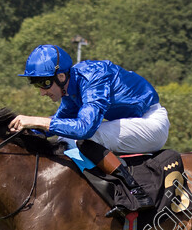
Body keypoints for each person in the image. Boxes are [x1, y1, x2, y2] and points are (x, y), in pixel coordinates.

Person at [9, 44, 169, 216]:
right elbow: (60, 123)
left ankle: (135, 192)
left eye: (44, 83)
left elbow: (85, 128)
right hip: (131, 123)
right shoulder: (70, 89)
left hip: (151, 122)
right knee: (64, 141)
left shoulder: (93, 77)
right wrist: (24, 133)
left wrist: (36, 120)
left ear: (61, 76)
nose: (42, 92)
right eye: (36, 84)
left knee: (88, 137)